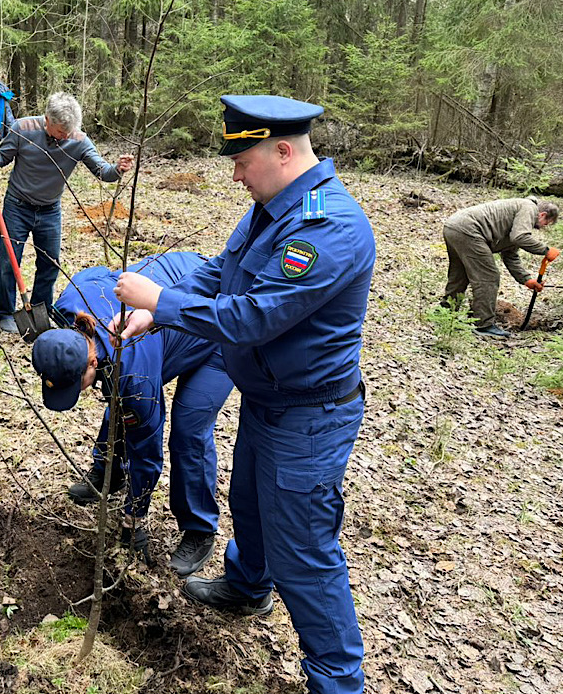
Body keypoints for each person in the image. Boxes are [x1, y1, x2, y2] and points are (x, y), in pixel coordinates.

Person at [112, 95, 375, 694]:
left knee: (303, 549)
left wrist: (161, 301)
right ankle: (247, 586)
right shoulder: (271, 207)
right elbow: (223, 274)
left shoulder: (326, 226)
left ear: (284, 151)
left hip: (309, 416)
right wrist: (162, 314)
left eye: (243, 160)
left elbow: (255, 315)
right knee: (252, 503)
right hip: (269, 399)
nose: (234, 173)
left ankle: (338, 680)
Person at [30, 252, 234, 575]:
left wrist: (133, 517)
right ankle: (108, 472)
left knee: (187, 428)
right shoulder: (71, 302)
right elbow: (100, 270)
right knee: (119, 394)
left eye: (75, 385)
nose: (79, 392)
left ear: (92, 363)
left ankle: (200, 528)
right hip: (169, 289)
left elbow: (147, 447)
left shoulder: (132, 369)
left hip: (213, 326)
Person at [0, 92, 134, 333]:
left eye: (69, 132)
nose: (65, 136)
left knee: (50, 263)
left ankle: (40, 310)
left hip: (50, 210)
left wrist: (118, 169)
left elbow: (102, 171)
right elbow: (0, 157)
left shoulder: (78, 139)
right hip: (17, 205)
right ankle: (5, 313)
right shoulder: (23, 128)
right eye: (60, 132)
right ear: (47, 120)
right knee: (7, 261)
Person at [441, 197, 560, 338]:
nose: (544, 226)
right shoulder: (529, 208)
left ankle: (445, 313)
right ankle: (483, 325)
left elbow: (510, 255)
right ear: (542, 215)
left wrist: (527, 280)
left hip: (453, 227)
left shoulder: (516, 217)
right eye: (547, 223)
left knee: (459, 275)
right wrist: (545, 250)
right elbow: (520, 237)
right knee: (488, 277)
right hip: (469, 230)